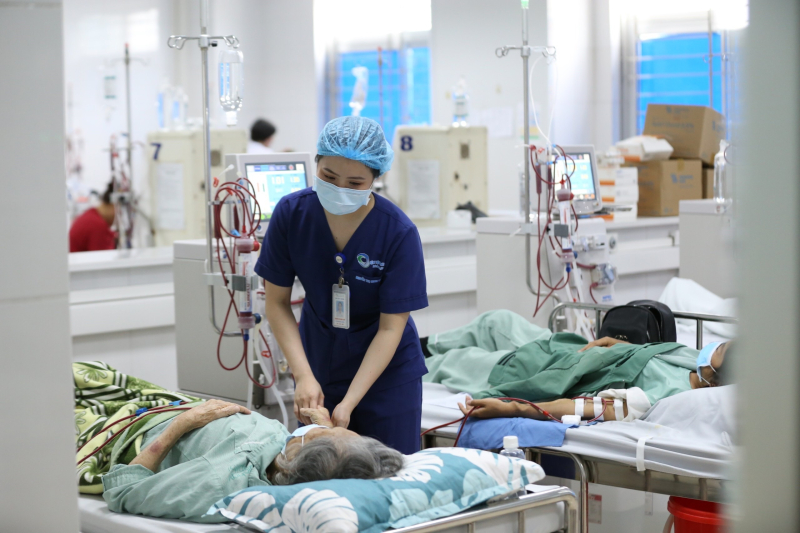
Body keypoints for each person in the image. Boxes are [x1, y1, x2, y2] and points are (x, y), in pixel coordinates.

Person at [257, 116, 428, 455]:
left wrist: (349, 402)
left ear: (375, 179)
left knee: (389, 473)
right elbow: (276, 303)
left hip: (387, 377)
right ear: (316, 163)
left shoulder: (398, 232)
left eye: (354, 183)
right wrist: (304, 376)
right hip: (318, 364)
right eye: (329, 177)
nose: (339, 188)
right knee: (319, 468)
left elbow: (390, 328)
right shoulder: (292, 214)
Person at [102, 400, 403, 523]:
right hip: (169, 403)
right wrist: (323, 428)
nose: (320, 427)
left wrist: (182, 424)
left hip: (133, 425)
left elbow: (123, 492)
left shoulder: (219, 481)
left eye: (323, 433)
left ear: (295, 461)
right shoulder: (284, 453)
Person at [420, 310, 733, 423]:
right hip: (572, 351)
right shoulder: (691, 357)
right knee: (497, 322)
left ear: (720, 383)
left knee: (456, 362)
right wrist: (621, 346)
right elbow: (647, 356)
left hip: (549, 372)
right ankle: (417, 343)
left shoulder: (663, 398)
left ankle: (402, 356)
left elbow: (577, 407)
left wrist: (512, 408)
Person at [69, 181, 116, 252]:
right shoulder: (97, 225)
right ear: (112, 205)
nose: (116, 216)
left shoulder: (91, 215)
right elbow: (103, 256)